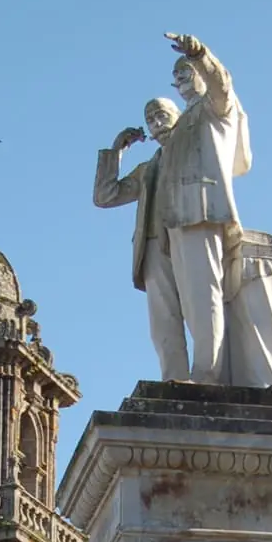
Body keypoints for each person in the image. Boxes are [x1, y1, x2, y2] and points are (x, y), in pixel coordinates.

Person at [94, 97, 191, 382]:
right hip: (152, 245)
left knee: (202, 310)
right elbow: (105, 196)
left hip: (189, 237)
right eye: (150, 119)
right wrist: (116, 152)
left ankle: (212, 373)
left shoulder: (193, 152)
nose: (156, 122)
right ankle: (176, 379)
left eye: (161, 115)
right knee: (164, 319)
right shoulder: (147, 169)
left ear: (178, 117)